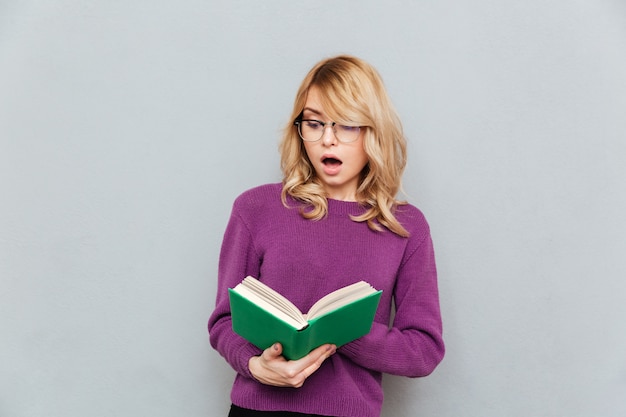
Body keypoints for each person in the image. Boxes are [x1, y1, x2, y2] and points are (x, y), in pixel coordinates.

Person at [208, 55, 445, 417]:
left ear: (373, 131)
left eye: (346, 125)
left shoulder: (406, 227)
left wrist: (342, 332)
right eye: (314, 124)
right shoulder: (255, 209)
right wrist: (256, 366)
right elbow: (225, 321)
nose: (327, 140)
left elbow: (423, 350)